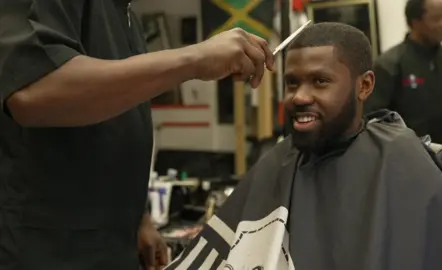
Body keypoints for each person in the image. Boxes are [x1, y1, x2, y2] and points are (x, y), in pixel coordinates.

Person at [164, 22, 442, 270]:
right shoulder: (279, 162)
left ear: (365, 85)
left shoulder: (404, 162)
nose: (300, 96)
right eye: (292, 83)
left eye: (320, 81)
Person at [0, 1, 274, 270]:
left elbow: (109, 121)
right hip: (44, 250)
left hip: (112, 247)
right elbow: (33, 87)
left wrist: (138, 219)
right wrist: (194, 59)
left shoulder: (123, 15)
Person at [365, 0, 442, 145]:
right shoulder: (390, 64)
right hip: (403, 156)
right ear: (415, 22)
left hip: (440, 155)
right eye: (436, 19)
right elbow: (372, 121)